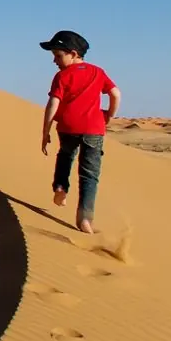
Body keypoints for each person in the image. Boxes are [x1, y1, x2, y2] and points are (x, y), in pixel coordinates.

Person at [37, 30, 120, 234]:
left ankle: (60, 187)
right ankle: (85, 219)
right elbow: (116, 93)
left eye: (58, 55)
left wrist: (45, 131)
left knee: (65, 156)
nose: (55, 61)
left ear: (73, 54)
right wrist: (109, 114)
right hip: (94, 129)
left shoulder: (62, 76)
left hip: (68, 127)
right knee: (89, 174)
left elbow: (53, 103)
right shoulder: (98, 72)